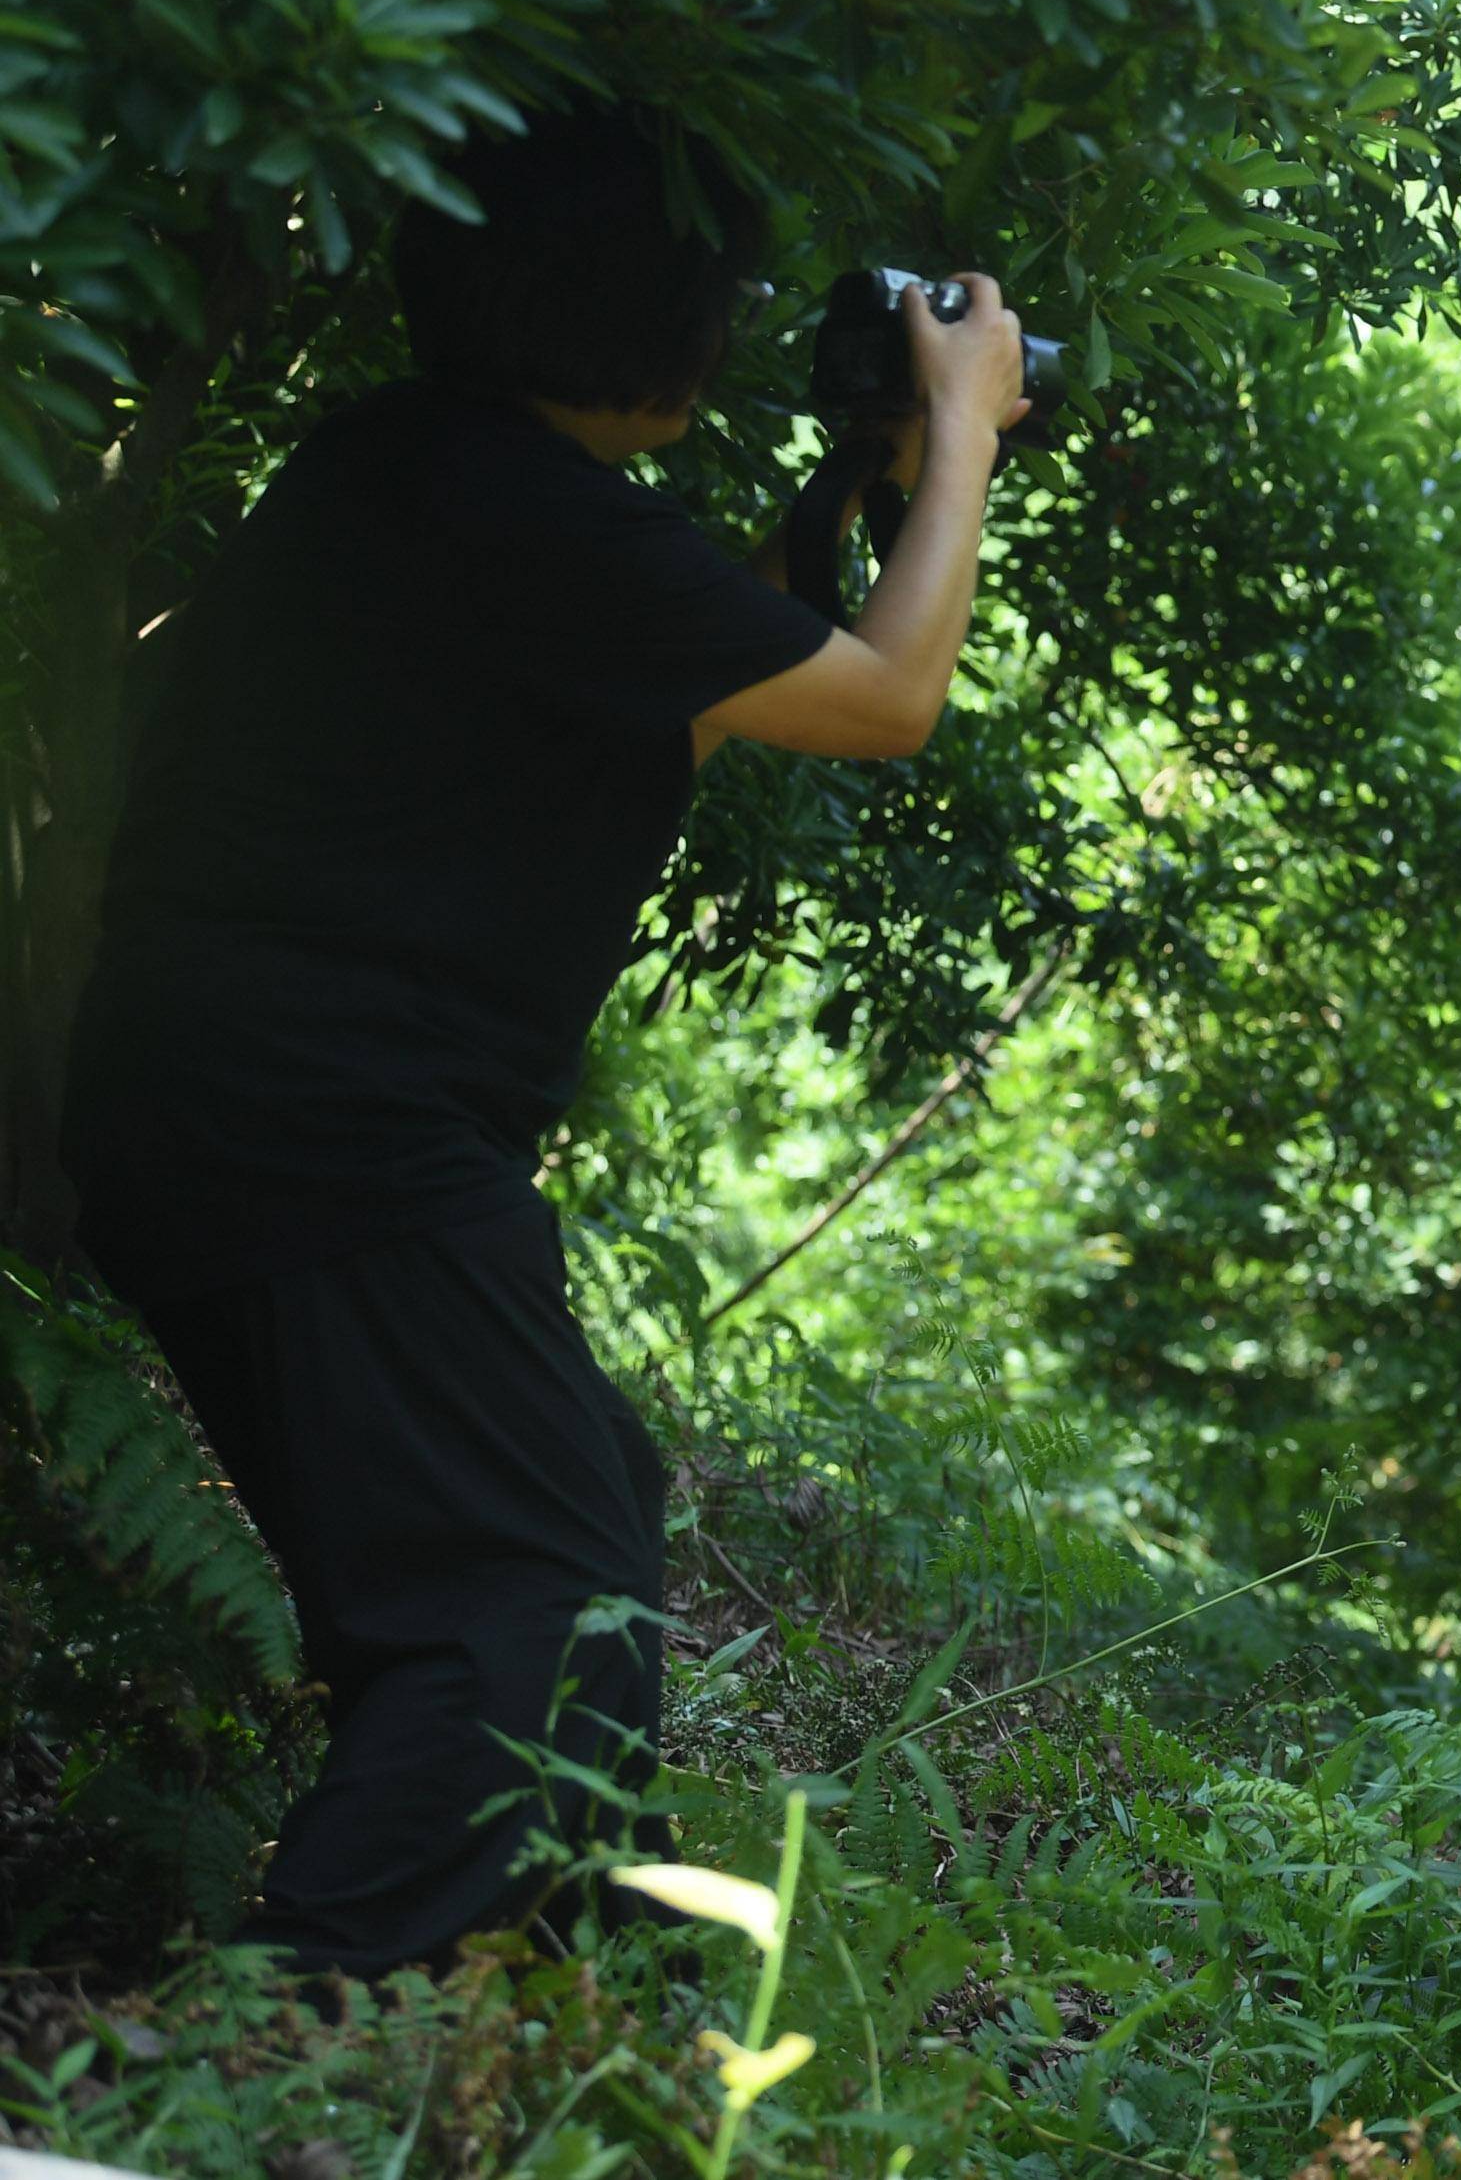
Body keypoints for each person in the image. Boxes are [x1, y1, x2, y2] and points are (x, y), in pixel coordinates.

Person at [58, 100, 1034, 1975]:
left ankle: (555, 1973)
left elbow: (705, 671)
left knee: (577, 1526)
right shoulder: (524, 512)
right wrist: (969, 438)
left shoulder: (420, 473)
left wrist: (871, 481)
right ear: (660, 322)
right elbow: (888, 699)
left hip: (250, 1104)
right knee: (525, 1598)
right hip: (336, 1129)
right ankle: (295, 2027)